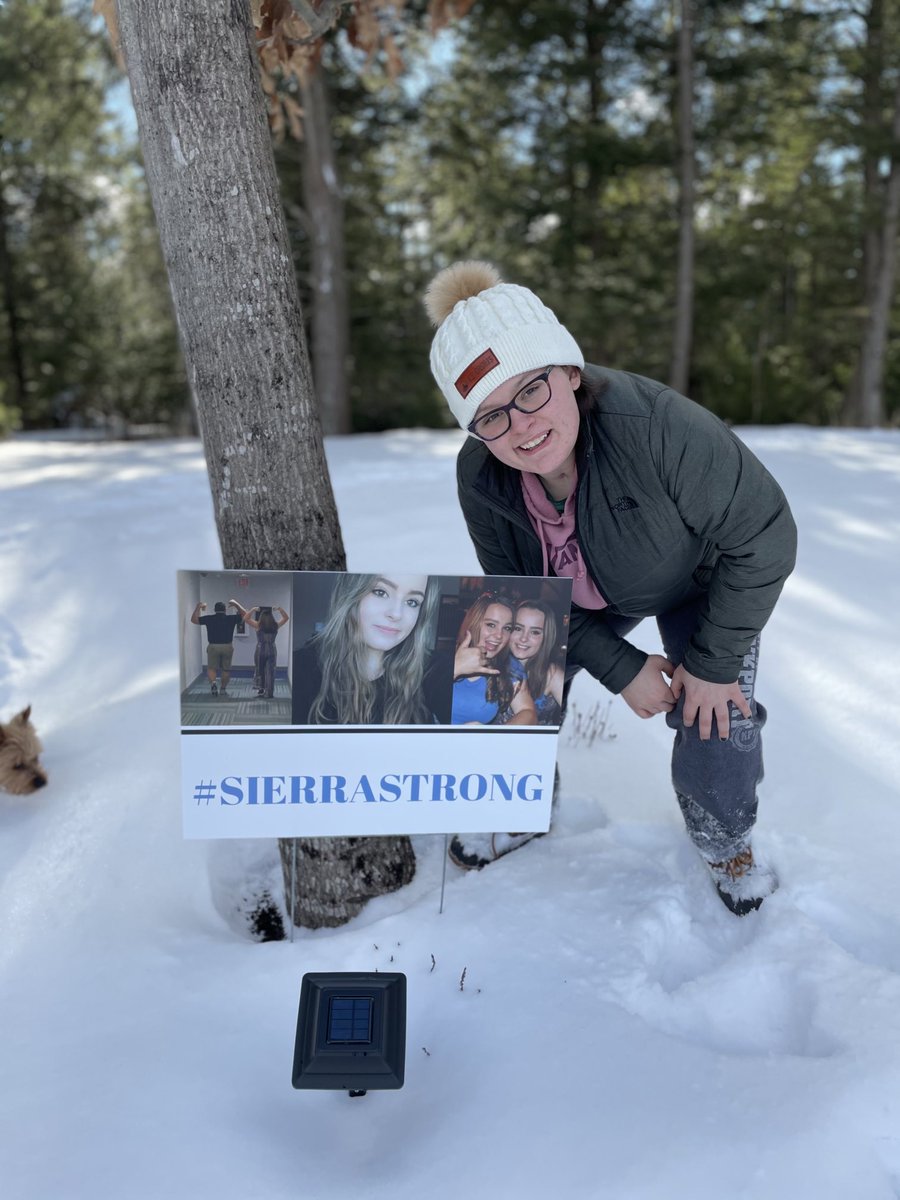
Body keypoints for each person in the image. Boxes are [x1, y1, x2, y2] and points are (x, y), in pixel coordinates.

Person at [424, 260, 797, 914]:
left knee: (715, 718)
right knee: (494, 667)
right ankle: (517, 807)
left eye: (531, 391)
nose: (520, 426)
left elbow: (765, 533)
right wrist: (621, 667)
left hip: (696, 581)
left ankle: (725, 841)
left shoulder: (657, 430)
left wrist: (711, 665)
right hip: (584, 598)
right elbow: (520, 599)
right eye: (490, 416)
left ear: (569, 372)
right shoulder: (482, 474)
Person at [292, 573, 443, 725]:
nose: (396, 614)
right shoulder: (300, 669)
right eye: (380, 592)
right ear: (350, 592)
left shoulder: (431, 671)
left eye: (412, 602)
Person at [450, 593, 537, 726]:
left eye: (507, 628)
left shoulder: (510, 667)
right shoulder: (443, 657)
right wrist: (456, 668)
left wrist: (494, 737)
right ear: (473, 623)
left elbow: (528, 712)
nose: (499, 635)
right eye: (491, 625)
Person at [506, 599, 565, 726]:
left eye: (534, 632)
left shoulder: (552, 674)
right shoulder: (494, 664)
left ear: (546, 637)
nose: (523, 638)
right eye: (518, 628)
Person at [229, 601, 289, 699]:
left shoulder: (258, 625)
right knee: (270, 671)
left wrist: (252, 609)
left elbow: (246, 618)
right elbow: (286, 618)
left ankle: (261, 688)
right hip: (272, 649)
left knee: (259, 669)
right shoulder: (275, 626)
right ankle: (269, 692)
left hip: (260, 649)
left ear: (261, 617)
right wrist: (279, 609)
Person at [191, 600, 241, 697]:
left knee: (211, 668)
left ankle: (213, 684)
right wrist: (236, 605)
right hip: (227, 646)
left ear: (214, 610)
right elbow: (245, 615)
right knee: (226, 669)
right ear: (225, 610)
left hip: (213, 646)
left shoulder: (209, 618)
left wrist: (198, 607)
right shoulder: (231, 618)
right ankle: (222, 689)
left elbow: (194, 620)